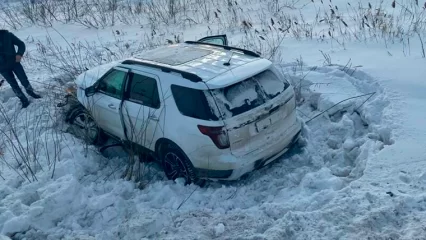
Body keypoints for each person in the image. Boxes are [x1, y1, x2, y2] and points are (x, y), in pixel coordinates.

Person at [0, 29, 41, 108]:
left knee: (24, 80)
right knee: (14, 85)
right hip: (2, 68)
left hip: (15, 63)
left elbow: (21, 44)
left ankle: (31, 93)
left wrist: (19, 54)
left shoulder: (7, 35)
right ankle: (23, 100)